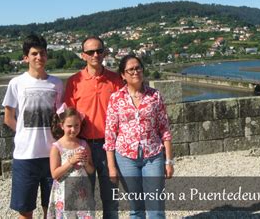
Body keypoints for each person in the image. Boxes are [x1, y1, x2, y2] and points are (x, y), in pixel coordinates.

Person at [104, 55, 174, 219]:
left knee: (156, 206)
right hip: (125, 158)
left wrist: (169, 160)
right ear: (123, 74)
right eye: (131, 69)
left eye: (138, 68)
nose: (135, 71)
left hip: (153, 156)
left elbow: (165, 129)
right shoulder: (116, 99)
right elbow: (110, 133)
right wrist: (111, 166)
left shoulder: (155, 96)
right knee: (136, 207)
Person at [3, 33, 64, 219]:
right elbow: (9, 118)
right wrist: (23, 134)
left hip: (52, 155)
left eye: (43, 53)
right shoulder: (16, 83)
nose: (39, 57)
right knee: (25, 210)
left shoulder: (57, 84)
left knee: (51, 209)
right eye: (34, 53)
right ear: (26, 57)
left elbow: (60, 116)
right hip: (25, 156)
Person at [63, 36, 124, 218]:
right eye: (90, 52)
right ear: (83, 55)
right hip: (83, 146)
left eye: (99, 50)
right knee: (83, 200)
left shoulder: (116, 80)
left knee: (111, 201)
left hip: (110, 148)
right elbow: (69, 117)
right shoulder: (74, 82)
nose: (95, 54)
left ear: (105, 52)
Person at [47, 106, 95, 218]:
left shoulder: (83, 144)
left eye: (76, 125)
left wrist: (86, 163)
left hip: (82, 193)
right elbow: (54, 174)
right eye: (69, 126)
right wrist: (70, 162)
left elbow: (91, 171)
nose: (73, 129)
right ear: (61, 125)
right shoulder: (57, 147)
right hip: (64, 193)